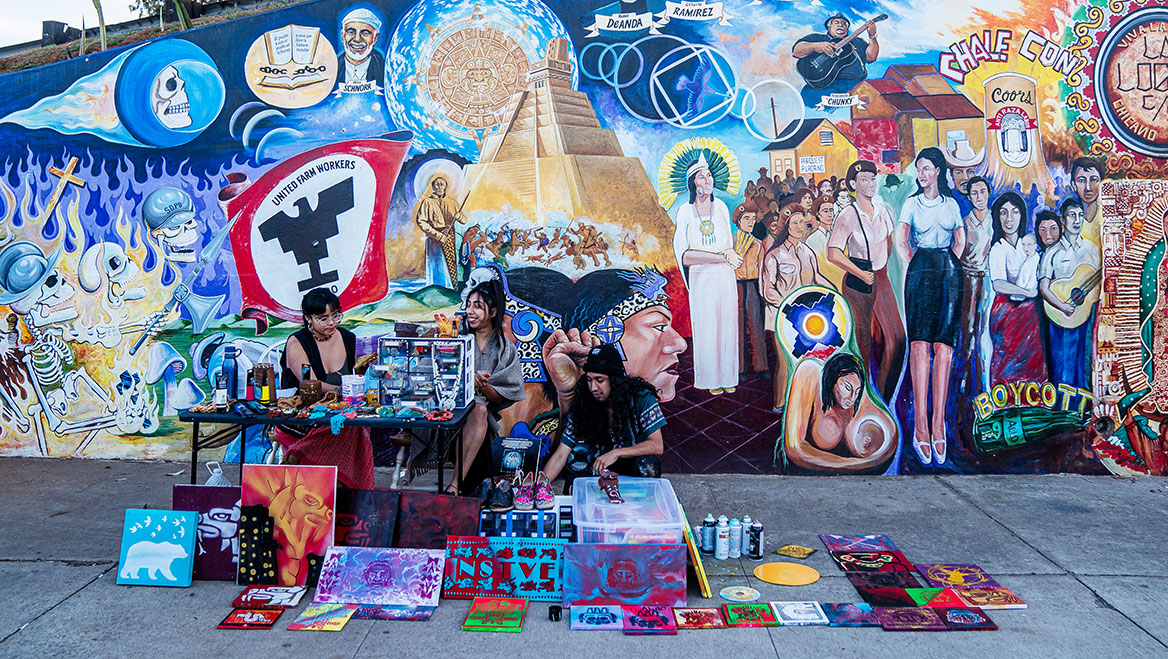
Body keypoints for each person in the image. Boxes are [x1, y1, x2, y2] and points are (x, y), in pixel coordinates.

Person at [896, 147, 966, 466]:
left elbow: (960, 238)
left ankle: (939, 424)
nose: (921, 174)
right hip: (921, 268)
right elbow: (901, 240)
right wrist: (916, 264)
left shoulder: (950, 204)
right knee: (920, 345)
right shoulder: (912, 203)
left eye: (926, 168)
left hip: (948, 270)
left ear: (938, 170)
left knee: (945, 347)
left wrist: (950, 264)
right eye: (918, 169)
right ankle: (921, 429)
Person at [275, 288, 374, 489]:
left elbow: (354, 375)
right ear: (308, 318)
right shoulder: (297, 342)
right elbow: (309, 383)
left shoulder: (348, 337)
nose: (332, 323)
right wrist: (342, 389)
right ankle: (341, 487)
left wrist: (363, 374)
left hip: (338, 412)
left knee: (351, 423)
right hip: (299, 415)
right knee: (348, 427)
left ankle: (303, 459)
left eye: (335, 315)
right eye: (323, 318)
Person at [827, 159, 905, 402]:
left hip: (880, 278)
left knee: (897, 340)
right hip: (857, 281)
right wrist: (860, 272)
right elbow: (833, 252)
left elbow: (889, 243)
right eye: (864, 179)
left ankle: (882, 396)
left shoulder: (883, 212)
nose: (871, 184)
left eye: (873, 179)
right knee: (862, 344)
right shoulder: (847, 215)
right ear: (853, 184)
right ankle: (862, 398)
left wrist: (879, 269)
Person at [541, 344, 665, 485]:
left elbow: (657, 446)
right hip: (600, 468)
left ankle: (643, 505)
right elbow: (560, 455)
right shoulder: (584, 401)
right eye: (589, 380)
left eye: (599, 380)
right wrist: (539, 486)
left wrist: (616, 453)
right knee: (576, 463)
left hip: (634, 466)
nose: (593, 387)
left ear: (615, 380)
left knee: (647, 465)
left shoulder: (641, 397)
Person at [672, 153, 741, 394]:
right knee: (707, 327)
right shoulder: (685, 211)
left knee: (727, 325)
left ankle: (728, 377)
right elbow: (685, 255)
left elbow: (729, 245)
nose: (708, 180)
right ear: (693, 183)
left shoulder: (721, 206)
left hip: (724, 277)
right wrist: (721, 257)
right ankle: (710, 379)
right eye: (702, 176)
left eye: (709, 175)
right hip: (702, 278)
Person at [451, 276, 525, 494]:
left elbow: (501, 399)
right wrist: (466, 380)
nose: (470, 311)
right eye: (468, 305)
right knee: (476, 412)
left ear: (493, 313)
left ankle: (459, 487)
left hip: (485, 419)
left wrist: (482, 385)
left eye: (478, 306)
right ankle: (461, 486)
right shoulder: (458, 342)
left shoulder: (504, 349)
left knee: (481, 409)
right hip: (451, 415)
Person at [761, 203, 834, 410]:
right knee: (785, 362)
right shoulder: (774, 255)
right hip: (781, 317)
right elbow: (767, 290)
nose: (800, 227)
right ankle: (780, 404)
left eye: (802, 222)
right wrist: (788, 306)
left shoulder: (807, 252)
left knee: (809, 360)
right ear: (786, 226)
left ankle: (805, 402)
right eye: (795, 223)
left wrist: (835, 292)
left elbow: (817, 276)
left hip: (807, 317)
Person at [782, 351, 897, 473]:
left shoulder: (859, 398)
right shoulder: (810, 373)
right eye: (847, 387)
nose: (852, 398)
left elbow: (889, 438)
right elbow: (794, 448)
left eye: (857, 391)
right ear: (832, 380)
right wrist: (853, 465)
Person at [1038, 198, 1100, 390]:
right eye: (1072, 215)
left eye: (1080, 216)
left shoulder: (1092, 250)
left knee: (1084, 363)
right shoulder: (1052, 253)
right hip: (1060, 317)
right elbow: (1044, 287)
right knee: (1061, 364)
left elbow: (1100, 284)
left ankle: (1082, 411)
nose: (1077, 220)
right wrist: (1062, 306)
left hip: (1086, 316)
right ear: (1063, 220)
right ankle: (1062, 413)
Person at [987, 192, 1047, 387]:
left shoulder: (1027, 245)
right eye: (1003, 213)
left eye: (1014, 212)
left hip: (1029, 314)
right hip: (1006, 313)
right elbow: (998, 283)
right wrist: (1027, 292)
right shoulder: (998, 248)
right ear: (997, 217)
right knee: (1007, 362)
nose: (1009, 219)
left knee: (1032, 360)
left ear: (1022, 215)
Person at [959, 175, 993, 392]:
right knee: (968, 329)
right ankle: (964, 377)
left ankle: (986, 378)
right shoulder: (964, 222)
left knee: (986, 329)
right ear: (969, 196)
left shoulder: (995, 220)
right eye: (974, 193)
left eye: (982, 192)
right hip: (969, 280)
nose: (979, 197)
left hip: (989, 279)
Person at [732, 202, 770, 377]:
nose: (750, 222)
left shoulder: (758, 244)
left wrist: (763, 291)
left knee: (757, 324)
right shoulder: (730, 242)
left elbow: (762, 269)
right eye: (746, 218)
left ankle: (760, 366)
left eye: (753, 219)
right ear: (738, 221)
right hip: (736, 285)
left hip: (754, 285)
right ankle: (739, 367)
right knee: (737, 326)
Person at [792, 12, 879, 87]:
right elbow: (796, 51)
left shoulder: (857, 41)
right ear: (829, 27)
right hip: (823, 87)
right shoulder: (817, 38)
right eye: (836, 22)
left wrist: (872, 36)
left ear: (847, 28)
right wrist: (817, 46)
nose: (840, 25)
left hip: (856, 86)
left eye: (844, 23)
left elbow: (871, 58)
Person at [413, 174, 465, 287]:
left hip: (450, 236)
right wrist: (437, 235)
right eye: (436, 184)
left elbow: (464, 220)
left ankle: (453, 287)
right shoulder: (427, 202)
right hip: (434, 238)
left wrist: (459, 216)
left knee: (451, 263)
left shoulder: (452, 202)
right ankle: (437, 288)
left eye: (442, 184)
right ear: (433, 186)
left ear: (446, 186)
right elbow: (421, 221)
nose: (439, 186)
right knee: (437, 264)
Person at [805, 195, 845, 291]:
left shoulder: (841, 234)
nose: (830, 214)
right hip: (826, 286)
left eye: (831, 210)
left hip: (845, 283)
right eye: (825, 211)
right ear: (818, 214)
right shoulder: (811, 240)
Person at [337, 8, 385, 84]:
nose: (357, 39)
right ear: (343, 36)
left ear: (375, 38)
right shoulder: (331, 68)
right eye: (351, 32)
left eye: (365, 33)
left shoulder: (385, 69)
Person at [1070, 156, 1103, 248]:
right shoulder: (1068, 219)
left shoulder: (1108, 217)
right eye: (1081, 181)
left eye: (1094, 180)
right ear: (1073, 185)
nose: (1088, 188)